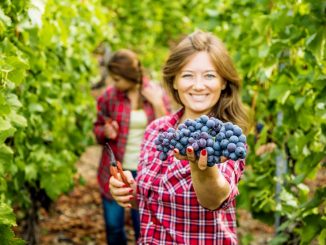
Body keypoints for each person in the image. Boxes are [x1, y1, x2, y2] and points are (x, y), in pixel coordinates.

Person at [109, 30, 249, 244]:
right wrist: (129, 191)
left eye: (209, 76)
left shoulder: (226, 138)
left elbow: (214, 199)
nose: (199, 85)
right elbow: (152, 201)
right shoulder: (157, 130)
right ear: (174, 81)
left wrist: (203, 170)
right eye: (187, 75)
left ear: (223, 83)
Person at [93, 49, 171, 245]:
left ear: (130, 76)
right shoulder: (110, 96)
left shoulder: (154, 93)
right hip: (115, 171)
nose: (113, 83)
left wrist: (157, 103)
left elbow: (169, 130)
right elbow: (97, 129)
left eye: (117, 79)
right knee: (113, 226)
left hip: (147, 171)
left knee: (143, 228)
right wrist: (106, 131)